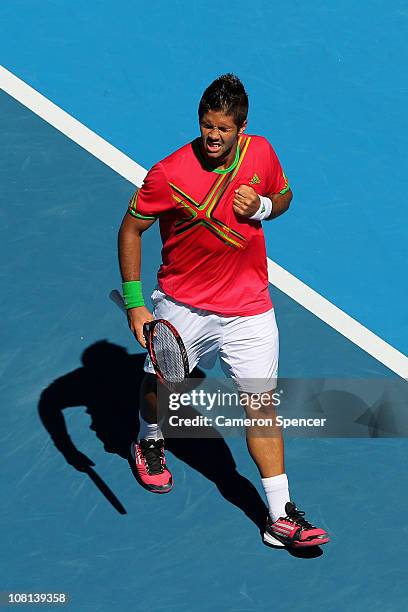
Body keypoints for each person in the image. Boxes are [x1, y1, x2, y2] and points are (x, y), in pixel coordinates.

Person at [118, 74, 329, 548]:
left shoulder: (262, 154)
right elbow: (130, 230)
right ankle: (148, 437)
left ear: (242, 127)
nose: (212, 136)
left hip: (250, 309)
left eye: (223, 129)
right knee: (160, 389)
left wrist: (264, 206)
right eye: (206, 126)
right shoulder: (169, 173)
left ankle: (280, 517)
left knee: (262, 406)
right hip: (183, 308)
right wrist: (135, 304)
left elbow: (285, 198)